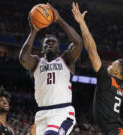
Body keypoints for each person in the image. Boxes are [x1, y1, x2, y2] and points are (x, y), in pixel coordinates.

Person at [72, 2, 123, 135]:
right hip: (117, 131)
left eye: (114, 63)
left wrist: (82, 23)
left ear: (118, 72)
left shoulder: (107, 81)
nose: (110, 64)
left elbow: (91, 50)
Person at [19, 3, 83, 135]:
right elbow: (23, 58)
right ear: (42, 49)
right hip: (42, 115)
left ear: (59, 48)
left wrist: (59, 19)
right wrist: (34, 31)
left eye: (53, 42)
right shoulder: (36, 62)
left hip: (62, 112)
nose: (50, 43)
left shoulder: (66, 60)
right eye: (47, 42)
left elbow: (78, 43)